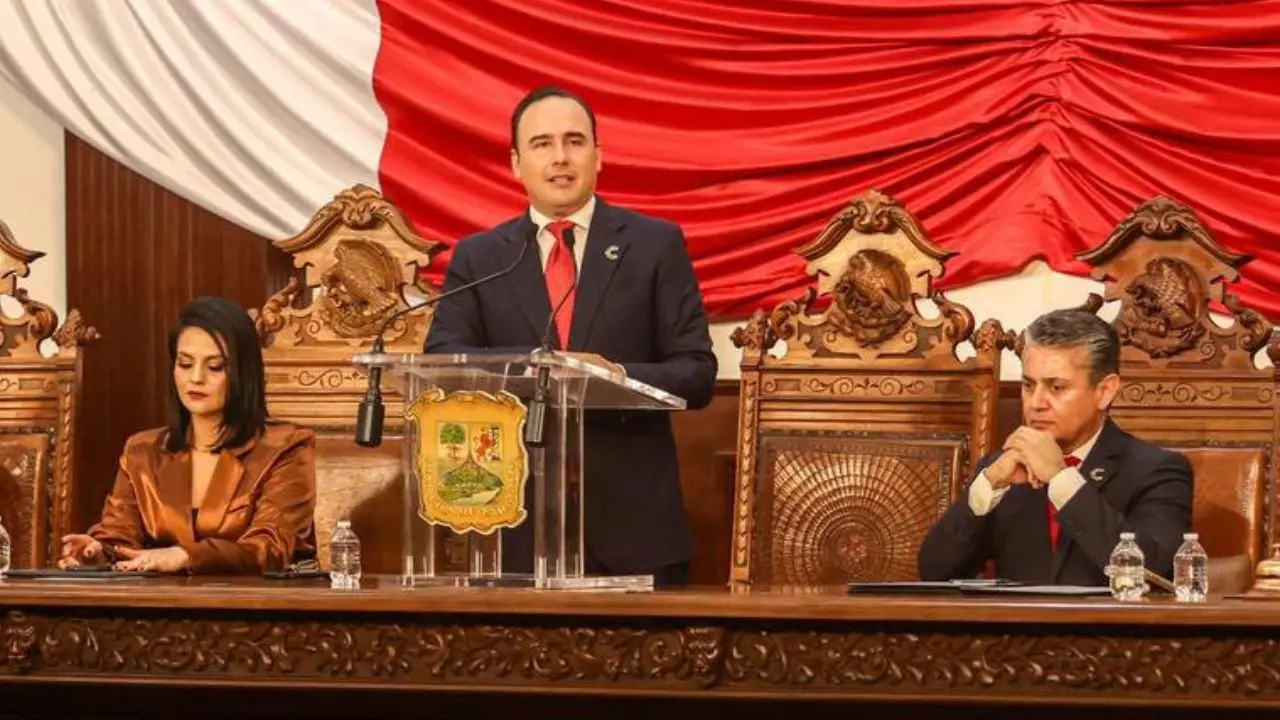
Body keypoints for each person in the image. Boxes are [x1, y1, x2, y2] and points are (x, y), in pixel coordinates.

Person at [426, 86, 717, 586]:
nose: (560, 158)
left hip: (635, 528)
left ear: (598, 156)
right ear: (516, 163)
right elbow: (443, 358)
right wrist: (537, 367)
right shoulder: (482, 257)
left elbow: (697, 372)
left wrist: (616, 376)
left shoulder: (654, 245)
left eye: (574, 141)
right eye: (542, 144)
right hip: (514, 523)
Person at [918, 309, 1193, 585]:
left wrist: (1062, 480)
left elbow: (1155, 572)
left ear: (1105, 391)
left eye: (1057, 387)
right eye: (1028, 385)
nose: (1036, 403)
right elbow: (935, 574)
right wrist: (986, 488)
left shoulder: (1157, 471)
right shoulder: (1003, 471)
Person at [58, 297, 316, 574]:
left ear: (244, 373)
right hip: (159, 609)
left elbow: (271, 548)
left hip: (256, 608)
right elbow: (119, 538)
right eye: (184, 363)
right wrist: (97, 552)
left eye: (215, 366)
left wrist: (185, 556)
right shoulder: (142, 450)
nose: (196, 378)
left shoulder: (286, 448)